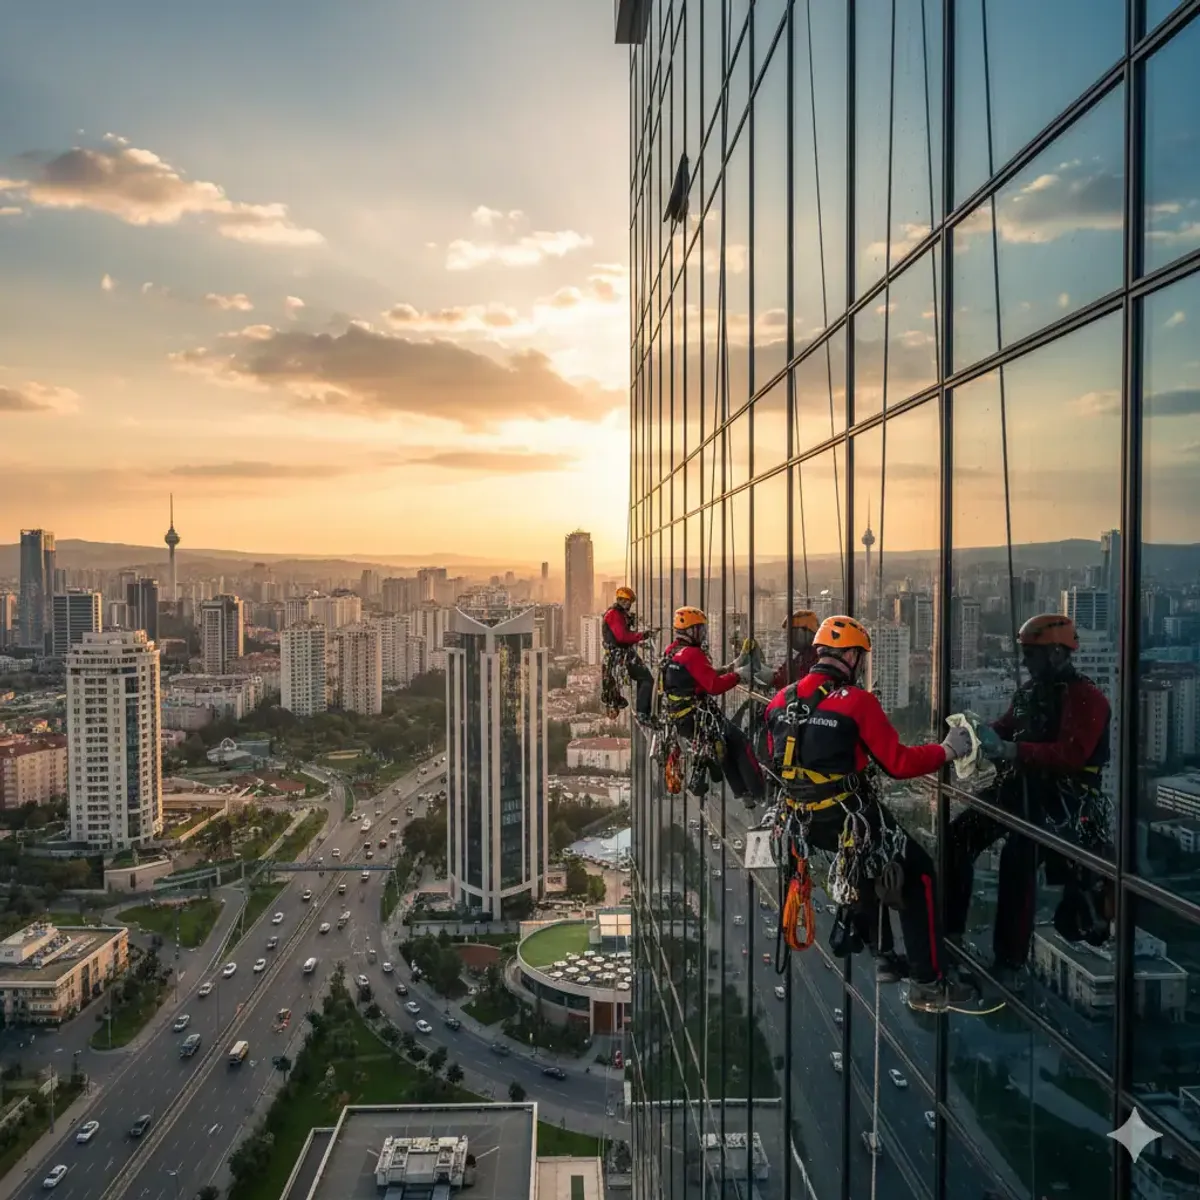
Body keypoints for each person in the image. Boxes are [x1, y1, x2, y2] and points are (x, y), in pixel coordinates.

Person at [764, 615, 976, 1011]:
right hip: (849, 819)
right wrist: (948, 750)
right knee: (920, 873)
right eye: (859, 658)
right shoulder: (858, 702)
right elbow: (898, 763)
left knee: (865, 865)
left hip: (807, 823)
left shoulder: (780, 701)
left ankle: (884, 956)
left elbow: (777, 758)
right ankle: (928, 982)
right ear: (849, 656)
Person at [944, 614, 1112, 987]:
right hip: (1021, 786)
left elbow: (1071, 754)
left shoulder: (1087, 699)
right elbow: (1008, 726)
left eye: (1031, 654)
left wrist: (1010, 749)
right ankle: (950, 933)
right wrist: (976, 735)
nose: (1025, 662)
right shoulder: (1030, 693)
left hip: (1062, 799)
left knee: (1018, 858)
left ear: (1057, 653)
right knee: (958, 836)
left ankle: (1010, 962)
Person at [658, 606, 764, 804]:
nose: (703, 634)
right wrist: (738, 676)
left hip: (681, 718)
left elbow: (699, 676)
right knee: (739, 741)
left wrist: (730, 668)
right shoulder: (693, 654)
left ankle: (743, 793)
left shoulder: (671, 651)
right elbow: (713, 686)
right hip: (697, 716)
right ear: (691, 631)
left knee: (723, 748)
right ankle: (759, 791)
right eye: (700, 629)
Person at [601, 587, 656, 726]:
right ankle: (643, 713)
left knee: (644, 678)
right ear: (620, 600)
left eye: (630, 602)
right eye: (626, 601)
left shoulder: (617, 613)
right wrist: (642, 635)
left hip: (620, 655)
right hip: (621, 655)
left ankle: (643, 712)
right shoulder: (614, 614)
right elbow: (622, 637)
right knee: (646, 678)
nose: (628, 604)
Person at [769, 610, 821, 690]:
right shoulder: (804, 654)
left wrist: (771, 678)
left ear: (805, 631)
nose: (789, 639)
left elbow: (791, 679)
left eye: (792, 634)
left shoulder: (815, 656)